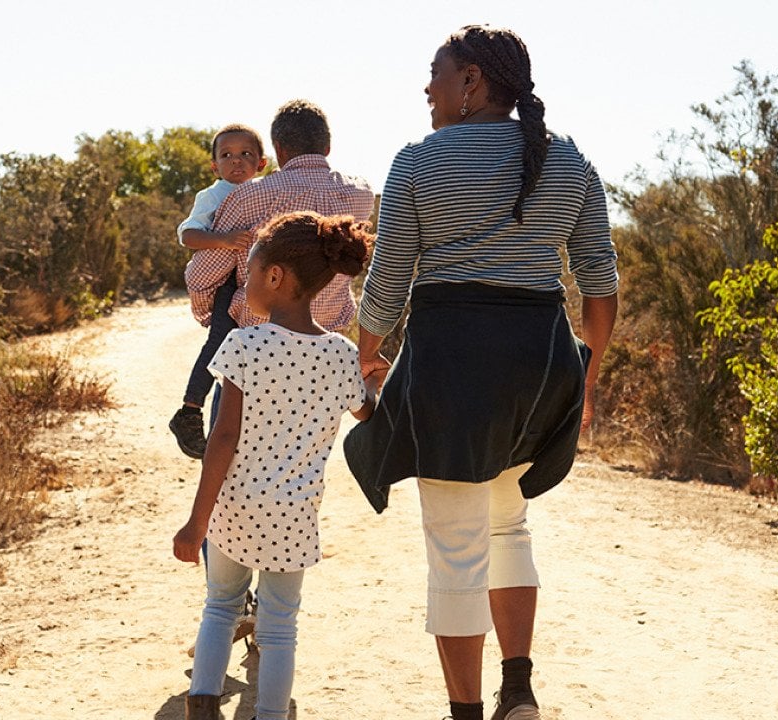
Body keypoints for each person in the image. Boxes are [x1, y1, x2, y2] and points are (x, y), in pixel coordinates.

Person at [344, 25, 619, 720]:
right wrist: (582, 378)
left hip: (452, 367)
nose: (426, 88)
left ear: (471, 81)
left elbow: (388, 284)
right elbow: (599, 286)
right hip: (539, 367)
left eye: (435, 73)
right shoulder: (572, 161)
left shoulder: (417, 162)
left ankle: (464, 713)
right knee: (508, 528)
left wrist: (366, 352)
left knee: (457, 548)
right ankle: (518, 692)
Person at [173, 212, 381, 720]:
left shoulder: (242, 344)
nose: (244, 280)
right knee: (280, 625)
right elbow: (366, 412)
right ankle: (269, 713)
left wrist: (197, 521)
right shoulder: (340, 355)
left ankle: (202, 706)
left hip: (235, 508)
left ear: (275, 276)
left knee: (221, 607)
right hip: (293, 516)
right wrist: (375, 380)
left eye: (249, 269)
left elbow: (223, 438)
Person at [169, 124, 269, 459]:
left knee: (242, 357)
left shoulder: (265, 191)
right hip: (228, 283)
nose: (236, 162)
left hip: (254, 284)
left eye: (246, 155)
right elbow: (188, 236)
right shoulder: (213, 195)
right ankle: (189, 409)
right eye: (226, 155)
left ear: (262, 163)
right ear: (214, 166)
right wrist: (224, 239)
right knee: (220, 347)